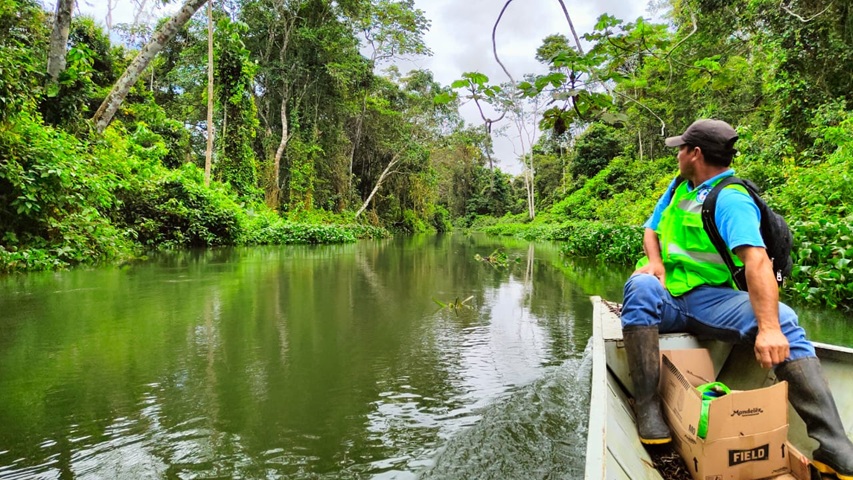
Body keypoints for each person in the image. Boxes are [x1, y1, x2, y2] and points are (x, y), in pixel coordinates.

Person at [621, 119, 853, 479]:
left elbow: (757, 262)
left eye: (681, 148)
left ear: (695, 153)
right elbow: (652, 228)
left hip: (712, 300)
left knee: (786, 321)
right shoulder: (680, 186)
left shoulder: (730, 199)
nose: (678, 154)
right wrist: (654, 264)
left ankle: (835, 447)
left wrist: (770, 329)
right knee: (640, 287)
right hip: (666, 296)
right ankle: (649, 409)